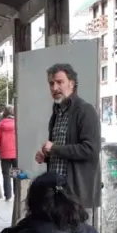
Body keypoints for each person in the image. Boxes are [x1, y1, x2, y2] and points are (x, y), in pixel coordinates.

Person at [35, 63, 102, 217]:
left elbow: (91, 150)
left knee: (77, 232)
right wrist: (47, 156)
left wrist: (54, 148)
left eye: (60, 82)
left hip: (77, 195)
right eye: (51, 83)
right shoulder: (57, 112)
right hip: (56, 193)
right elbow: (63, 153)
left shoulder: (85, 111)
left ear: (71, 84)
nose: (54, 88)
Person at [0, 105, 18, 201]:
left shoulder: (0, 124)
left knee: (6, 174)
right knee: (15, 174)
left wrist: (0, 147)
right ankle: (16, 193)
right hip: (16, 154)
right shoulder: (17, 124)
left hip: (4, 154)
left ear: (5, 113)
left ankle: (8, 195)